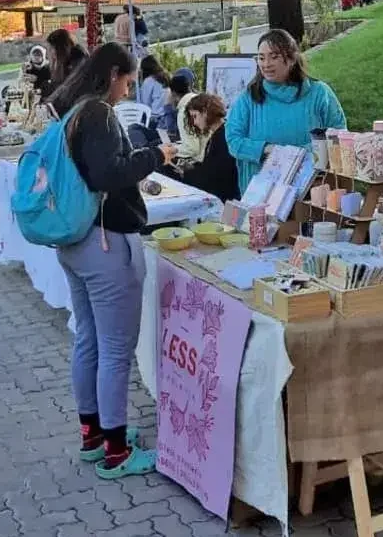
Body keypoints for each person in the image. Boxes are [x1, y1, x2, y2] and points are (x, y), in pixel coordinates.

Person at [47, 42, 176, 480]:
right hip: (105, 240)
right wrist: (156, 155)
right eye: (128, 81)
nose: (129, 90)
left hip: (76, 240)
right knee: (115, 349)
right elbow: (109, 173)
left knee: (89, 340)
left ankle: (94, 436)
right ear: (114, 74)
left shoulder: (73, 111)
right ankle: (117, 451)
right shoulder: (99, 113)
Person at [226, 29, 346, 193]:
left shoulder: (319, 93)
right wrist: (267, 149)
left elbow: (339, 134)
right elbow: (233, 140)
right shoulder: (249, 98)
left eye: (274, 57)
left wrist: (301, 154)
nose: (266, 64)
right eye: (261, 58)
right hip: (262, 193)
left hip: (312, 188)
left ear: (291, 59)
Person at [180, 93, 240, 202]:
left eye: (195, 116)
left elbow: (215, 178)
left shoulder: (223, 137)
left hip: (224, 200)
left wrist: (187, 173)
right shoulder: (220, 134)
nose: (194, 122)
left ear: (205, 112)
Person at [157, 67, 194, 143]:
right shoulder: (192, 98)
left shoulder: (184, 106)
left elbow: (171, 131)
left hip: (173, 140)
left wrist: (168, 106)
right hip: (165, 133)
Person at [136, 55, 169, 124]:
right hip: (166, 116)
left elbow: (145, 104)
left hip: (154, 118)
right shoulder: (166, 77)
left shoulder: (149, 81)